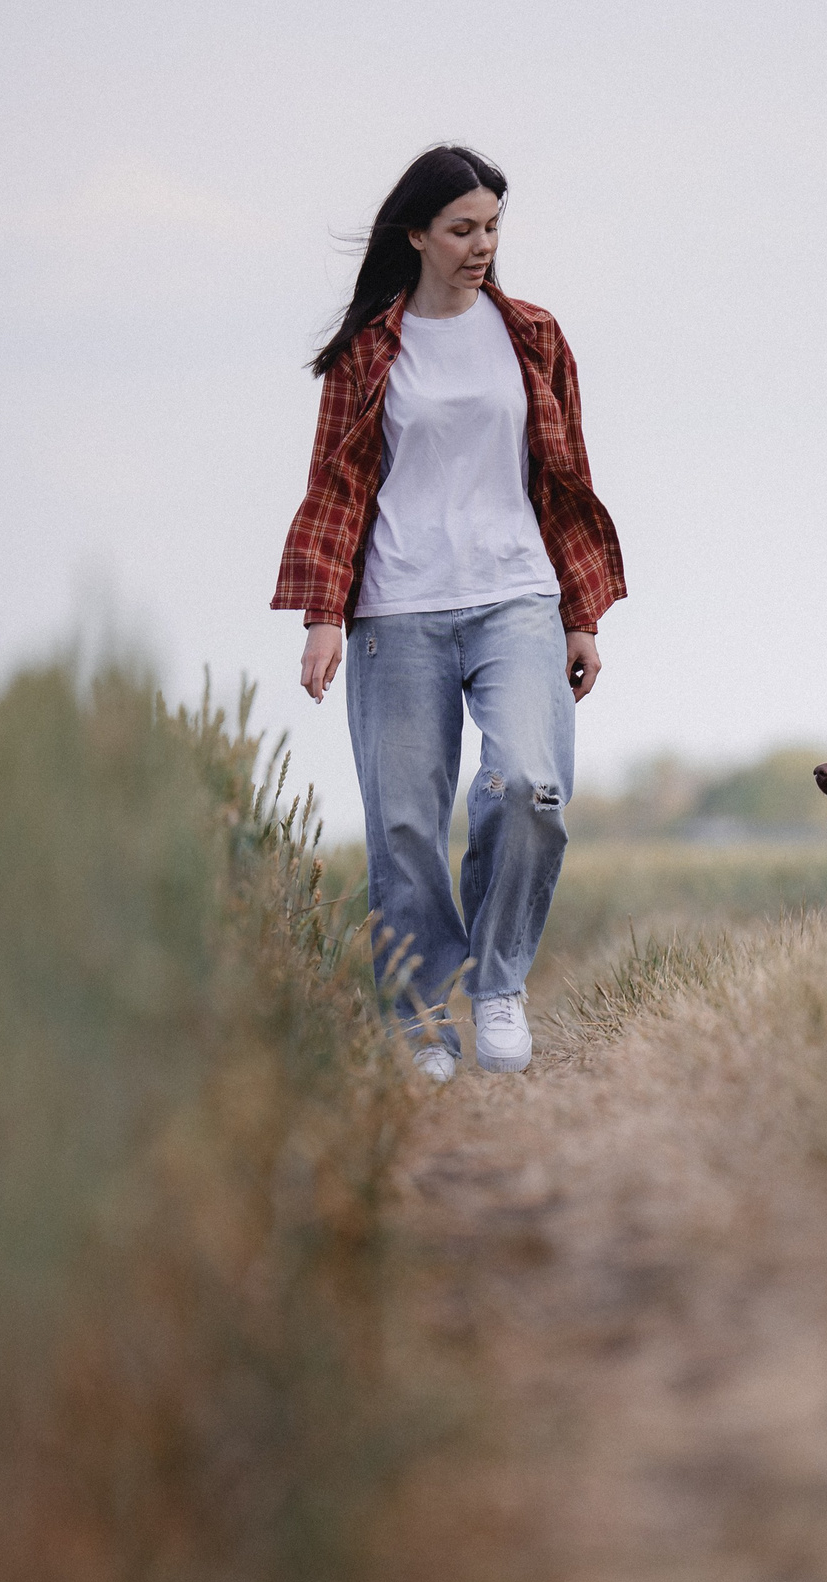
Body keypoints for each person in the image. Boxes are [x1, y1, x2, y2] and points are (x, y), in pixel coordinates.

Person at [274, 144, 624, 1081]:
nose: (482, 246)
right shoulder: (369, 350)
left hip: (517, 597)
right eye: (463, 229)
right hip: (398, 607)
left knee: (528, 787)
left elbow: (565, 484)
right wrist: (321, 615)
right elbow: (338, 484)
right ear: (417, 235)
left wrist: (582, 614)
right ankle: (423, 1018)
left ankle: (499, 981)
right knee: (404, 827)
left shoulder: (535, 337)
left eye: (494, 228)